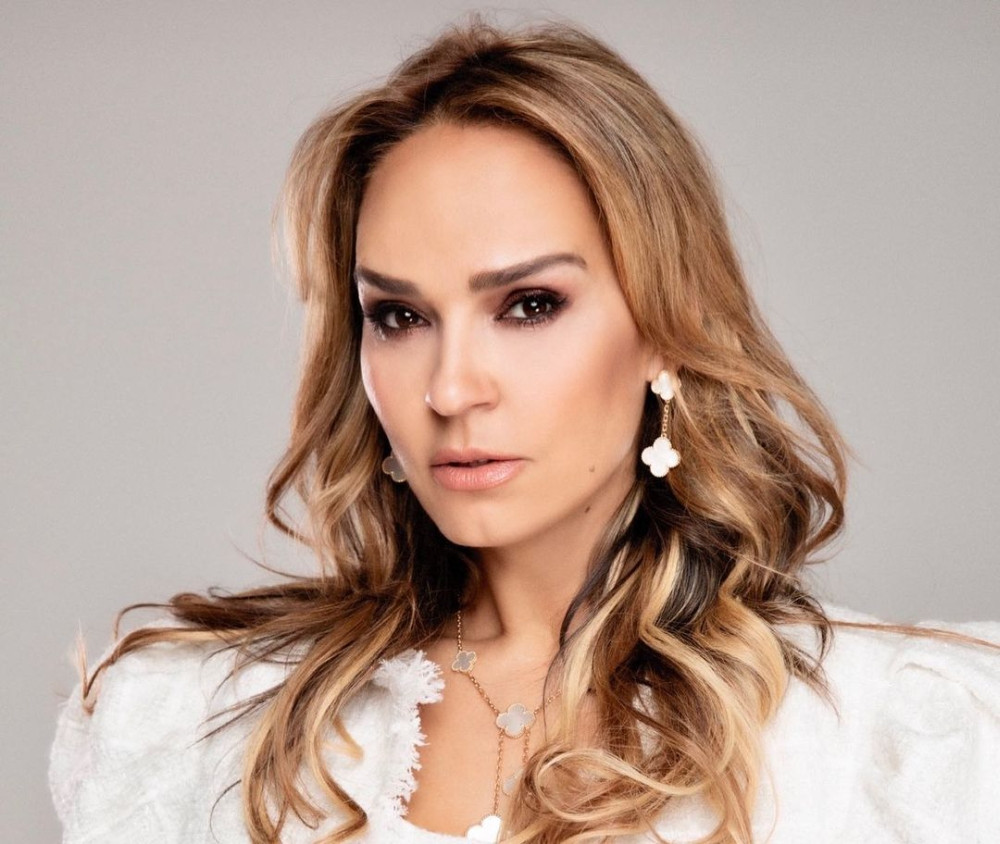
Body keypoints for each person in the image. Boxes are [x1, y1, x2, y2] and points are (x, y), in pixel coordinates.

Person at [49, 19, 999, 844]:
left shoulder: (907, 736)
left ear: (665, 328)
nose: (451, 388)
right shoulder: (190, 725)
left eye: (530, 304)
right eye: (399, 317)